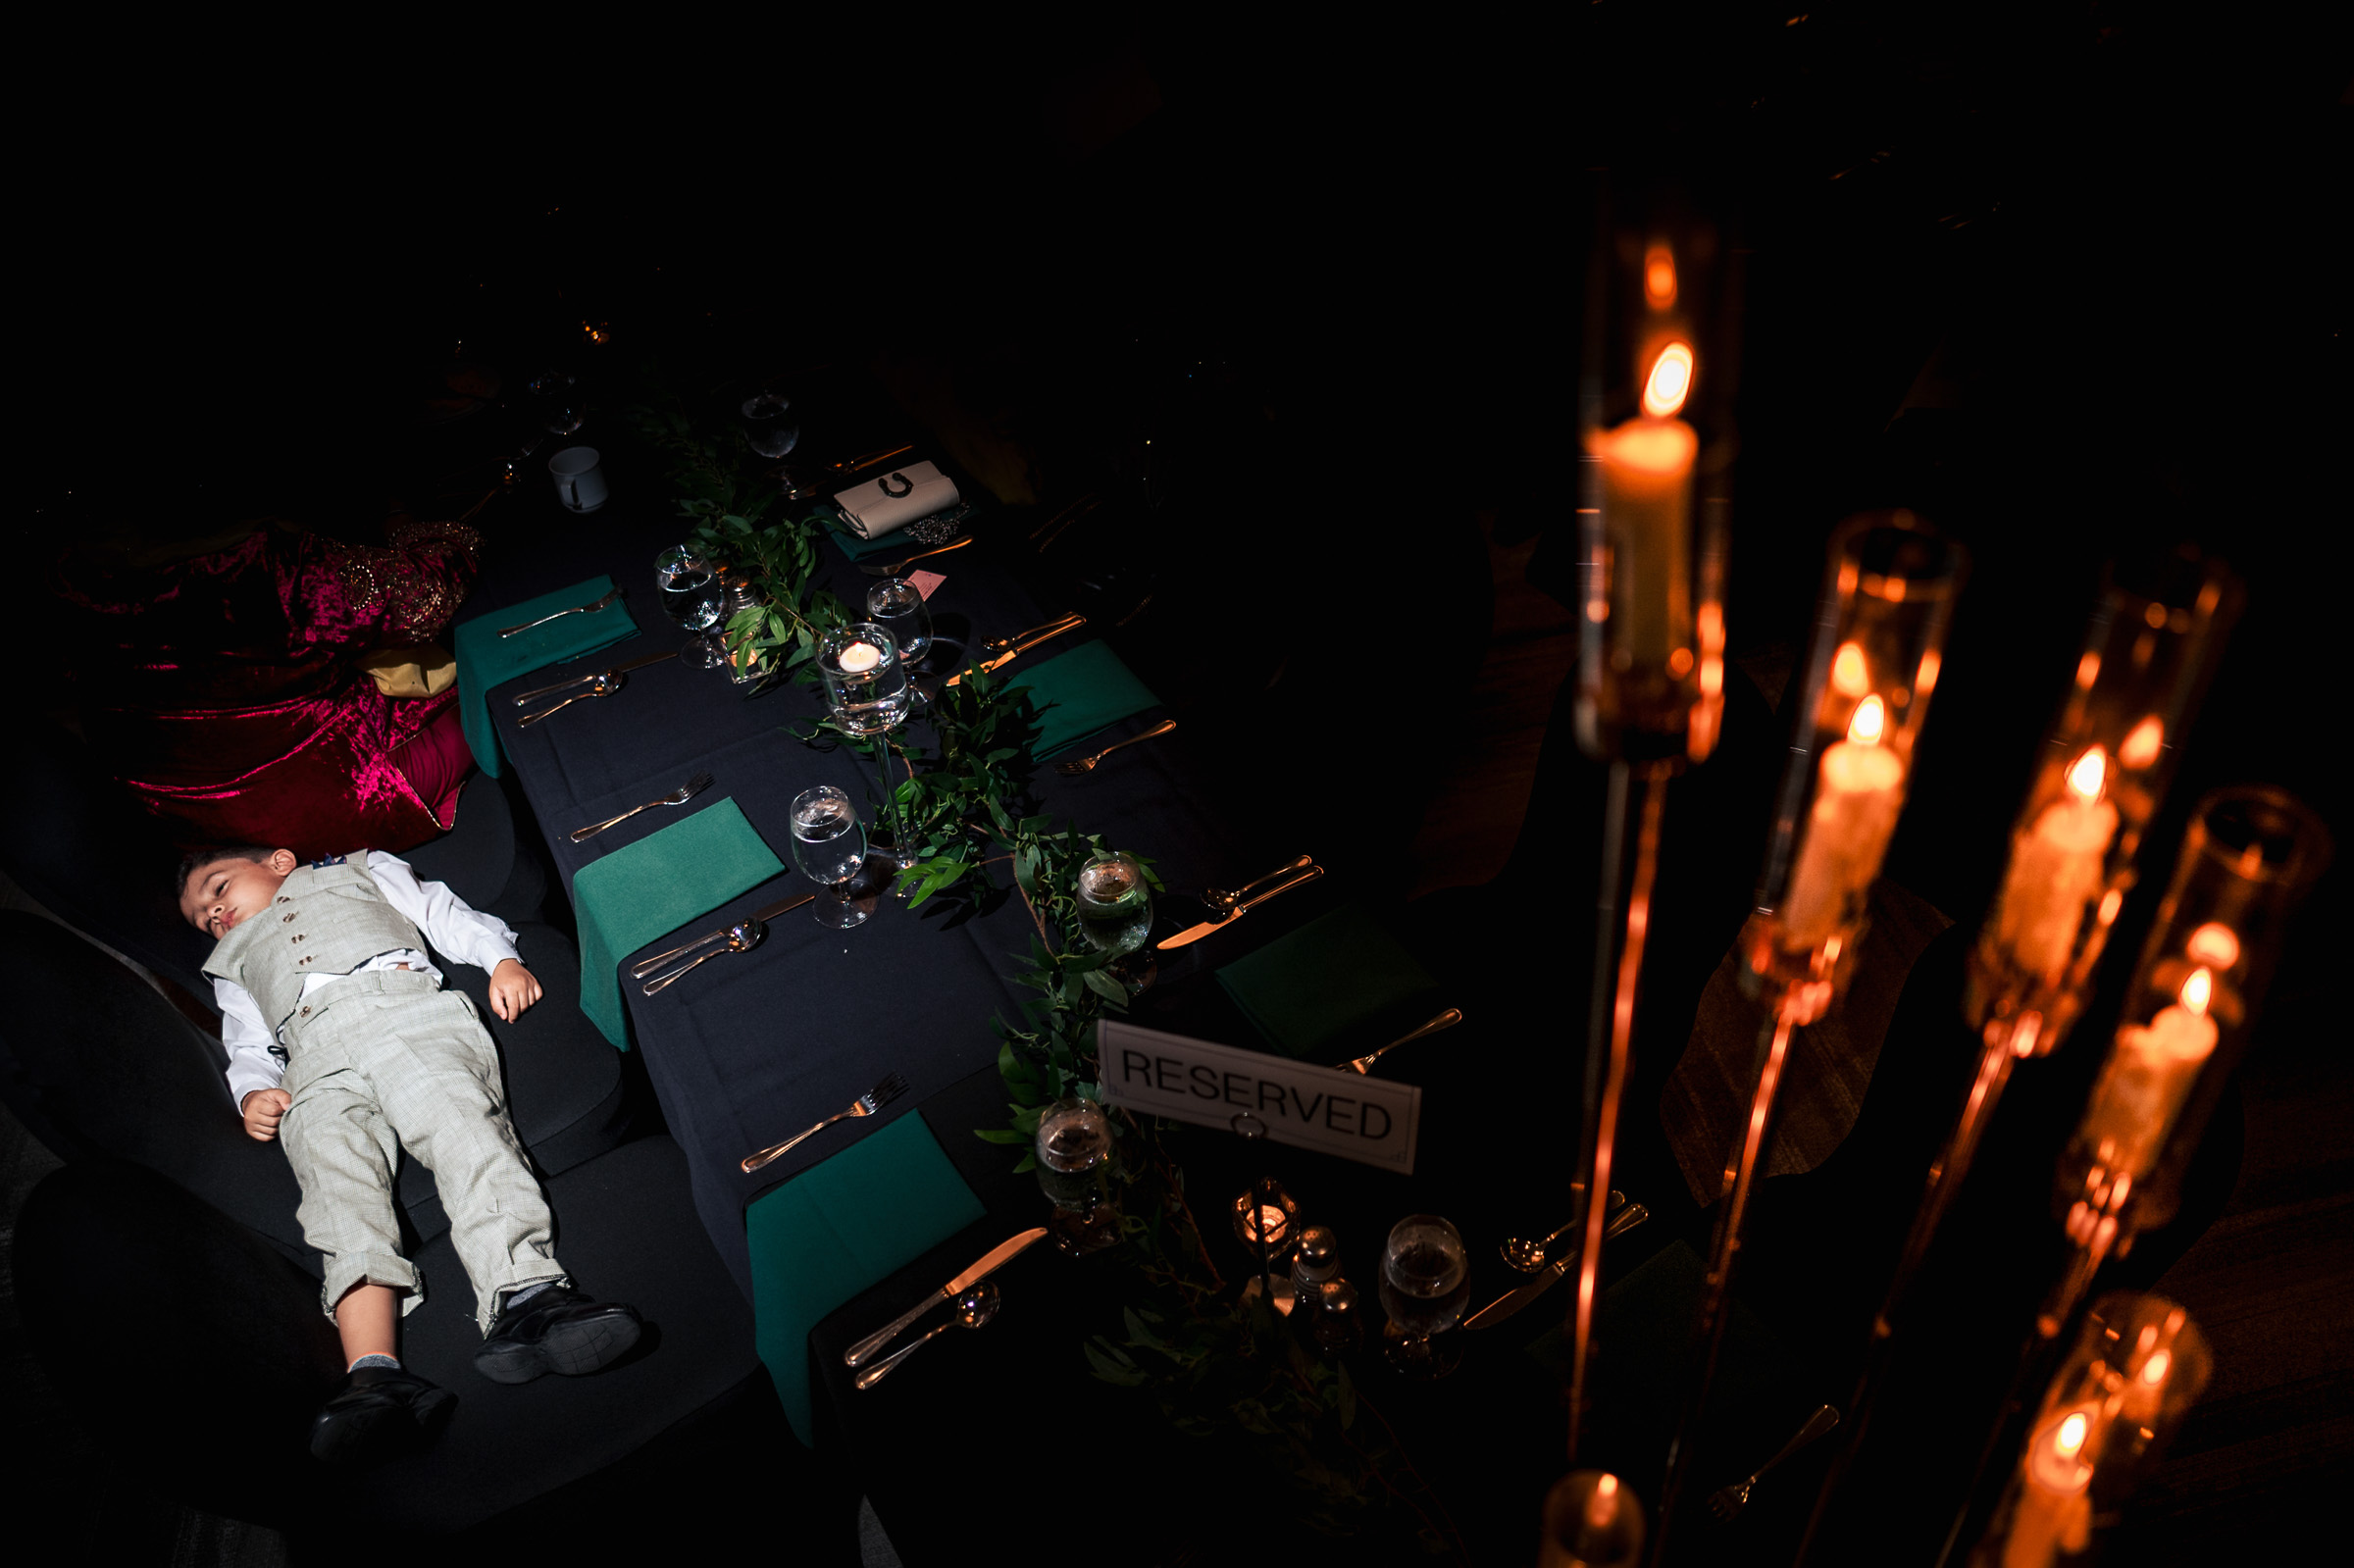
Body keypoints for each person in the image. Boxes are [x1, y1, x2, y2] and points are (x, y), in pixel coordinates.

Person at [177, 842, 642, 1463]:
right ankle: (374, 1374)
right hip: (310, 1066)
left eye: (218, 889)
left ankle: (528, 1295)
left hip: (403, 1014)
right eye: (203, 920)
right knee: (337, 1197)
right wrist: (253, 1093)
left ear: (279, 862)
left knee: (462, 1131)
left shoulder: (358, 870)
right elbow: (247, 1045)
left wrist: (500, 959)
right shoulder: (232, 962)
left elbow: (440, 913)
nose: (215, 914)